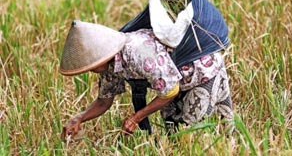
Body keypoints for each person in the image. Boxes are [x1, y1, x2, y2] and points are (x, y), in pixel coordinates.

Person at [60, 19, 234, 139]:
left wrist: (136, 117)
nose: (90, 70)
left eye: (90, 65)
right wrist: (79, 118)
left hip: (202, 72)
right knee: (172, 131)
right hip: (175, 80)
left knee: (189, 133)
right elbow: (103, 102)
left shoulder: (138, 53)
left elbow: (169, 92)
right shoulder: (108, 66)